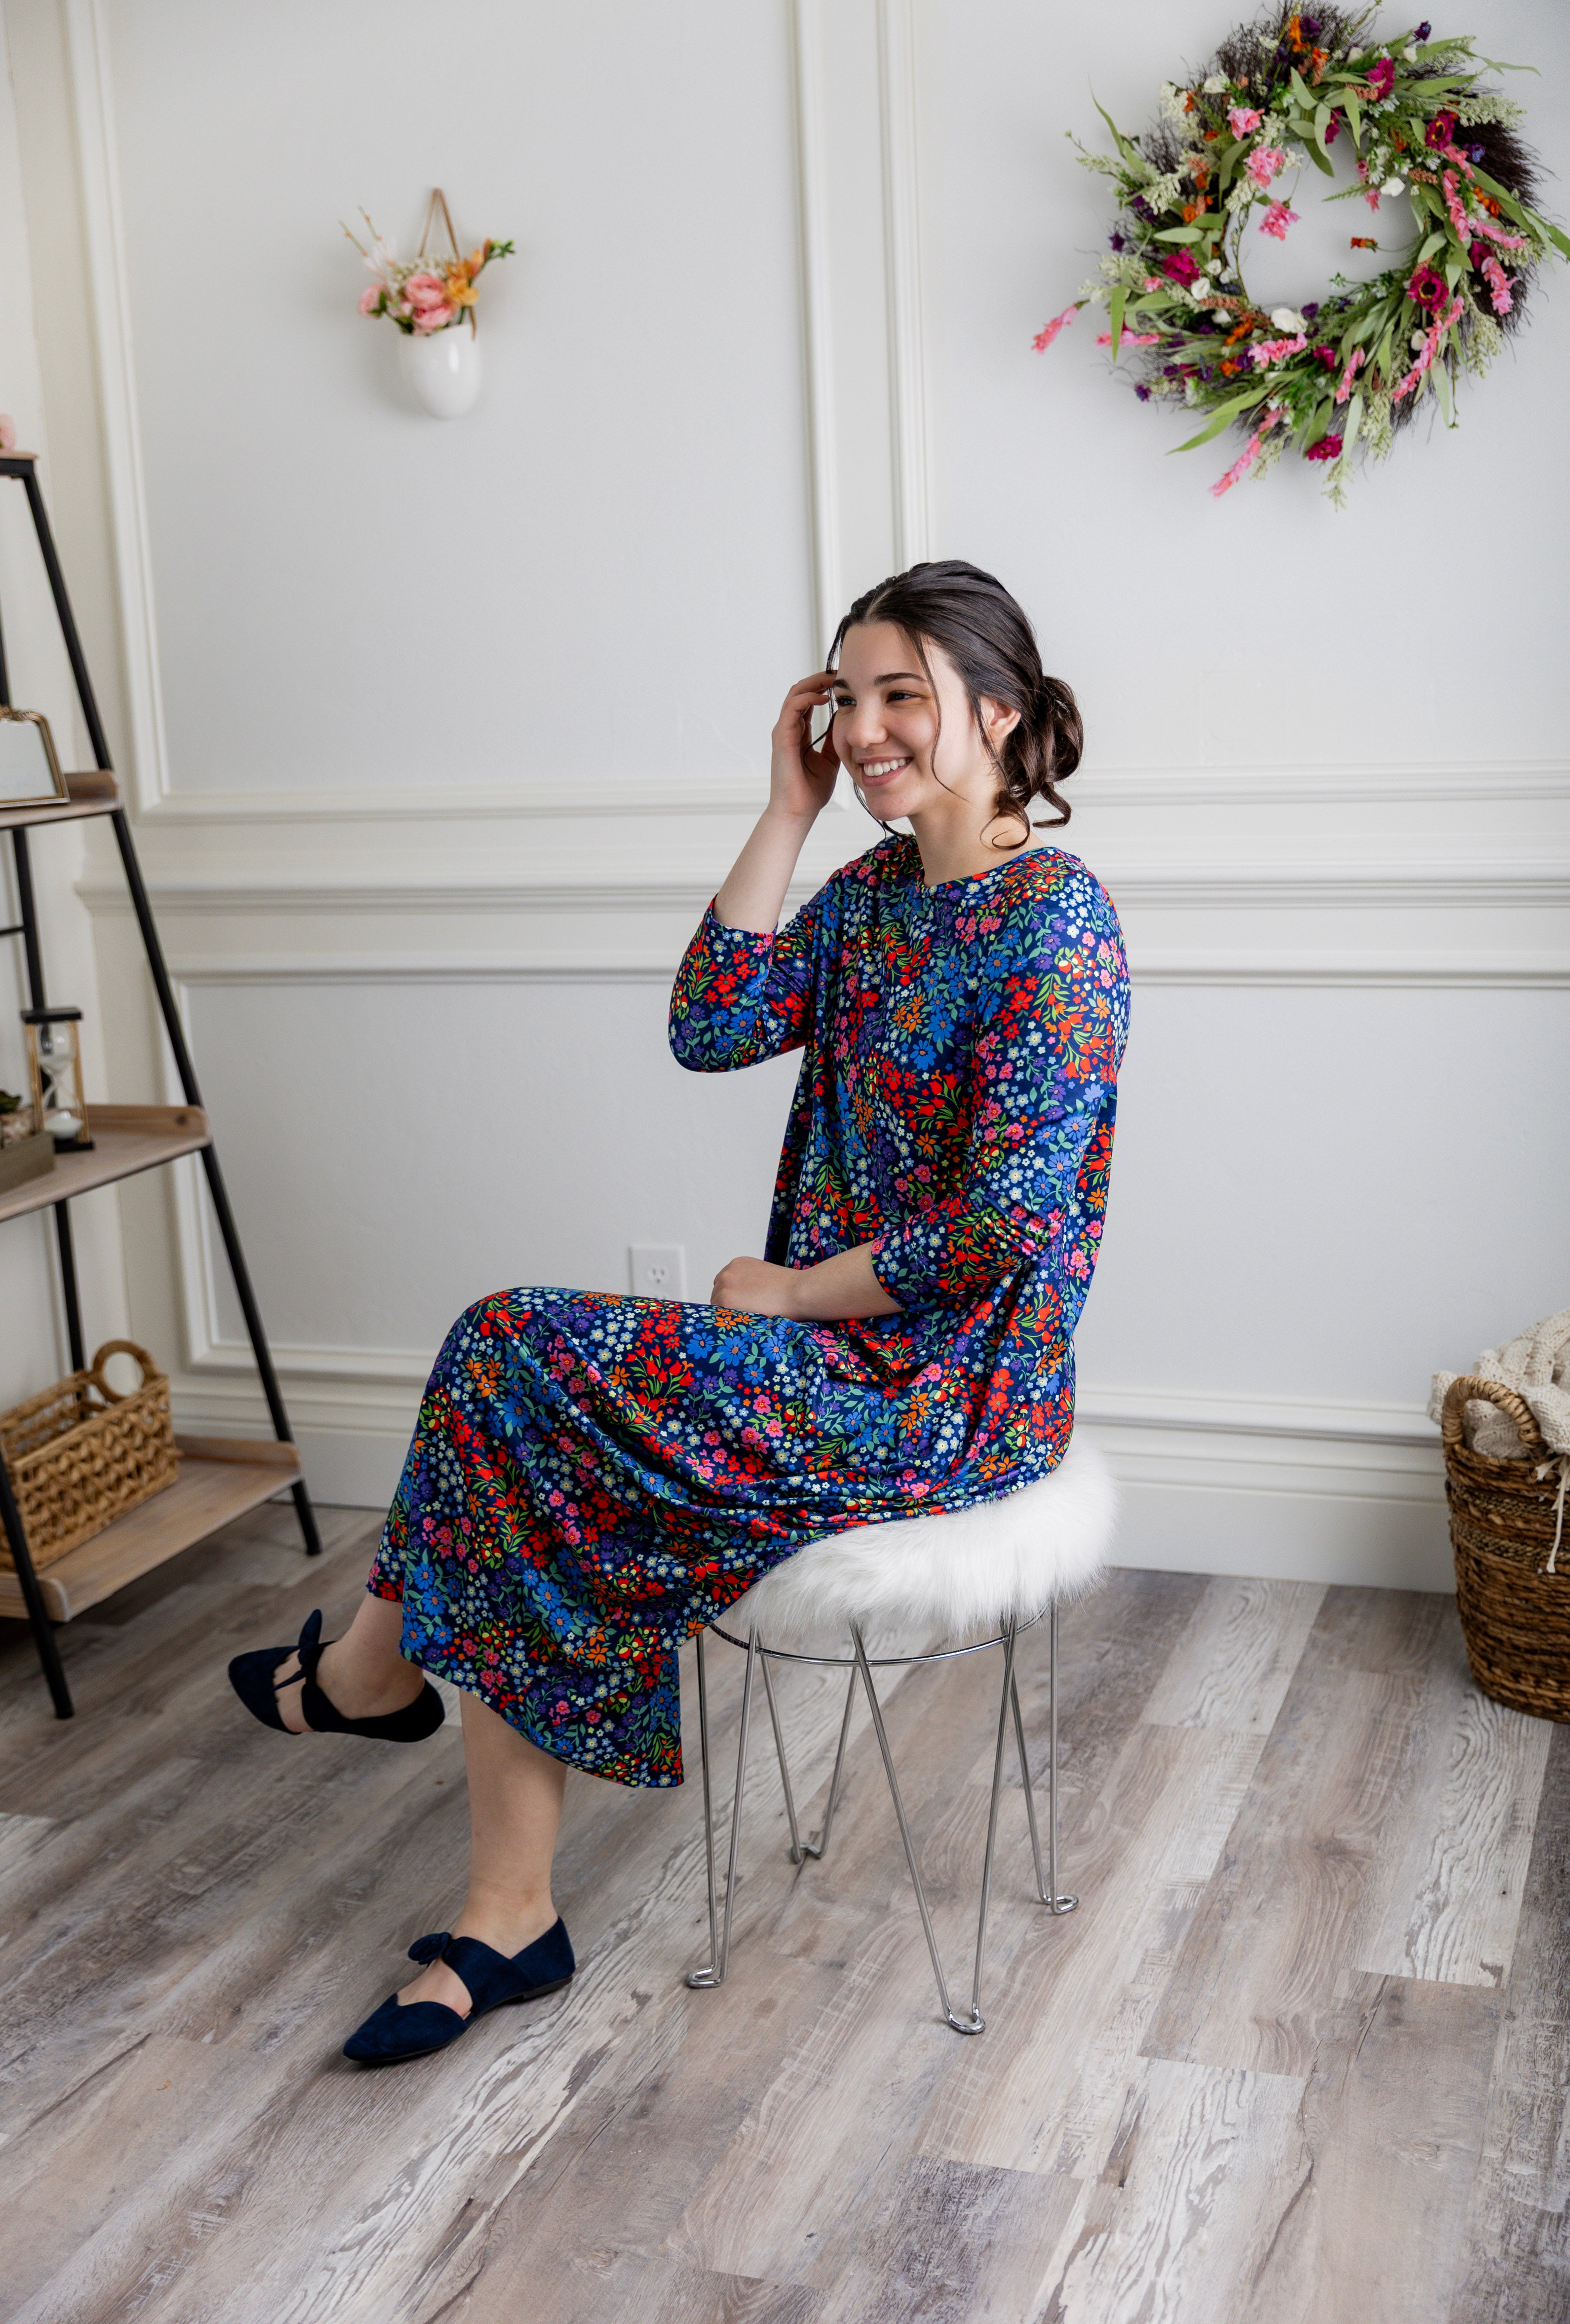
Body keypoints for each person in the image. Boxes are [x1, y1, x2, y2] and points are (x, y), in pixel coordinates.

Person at [228, 559, 1130, 2066]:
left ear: (999, 710)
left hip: (949, 1395)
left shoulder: (1057, 925)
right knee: (515, 1395)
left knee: (510, 1352)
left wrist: (792, 1291)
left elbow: (1003, 1230)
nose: (863, 730)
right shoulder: (872, 896)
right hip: (828, 1360)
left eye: (900, 697)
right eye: (846, 699)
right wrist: (784, 811)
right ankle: (494, 1890)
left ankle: (384, 1705)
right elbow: (708, 1027)